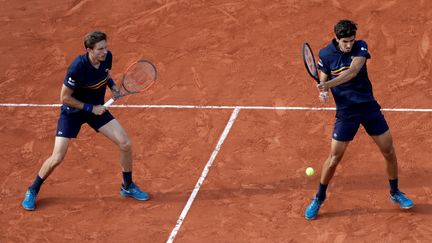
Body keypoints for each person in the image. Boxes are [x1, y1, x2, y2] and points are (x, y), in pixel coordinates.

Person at [22, 31, 149, 211]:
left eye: (106, 47)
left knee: (125, 143)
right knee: (57, 156)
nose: (105, 52)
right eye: (100, 49)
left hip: (96, 109)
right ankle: (33, 189)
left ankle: (127, 186)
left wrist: (112, 87)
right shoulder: (78, 67)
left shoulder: (107, 57)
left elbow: (105, 75)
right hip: (73, 112)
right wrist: (91, 108)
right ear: (89, 50)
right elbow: (64, 98)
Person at [304, 20, 414, 220]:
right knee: (334, 159)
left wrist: (328, 84)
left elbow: (353, 71)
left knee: (389, 150)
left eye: (351, 40)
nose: (349, 44)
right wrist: (323, 88)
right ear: (337, 39)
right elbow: (323, 73)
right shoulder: (325, 54)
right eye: (345, 41)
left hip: (368, 107)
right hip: (346, 113)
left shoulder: (360, 46)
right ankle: (319, 198)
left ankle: (395, 192)